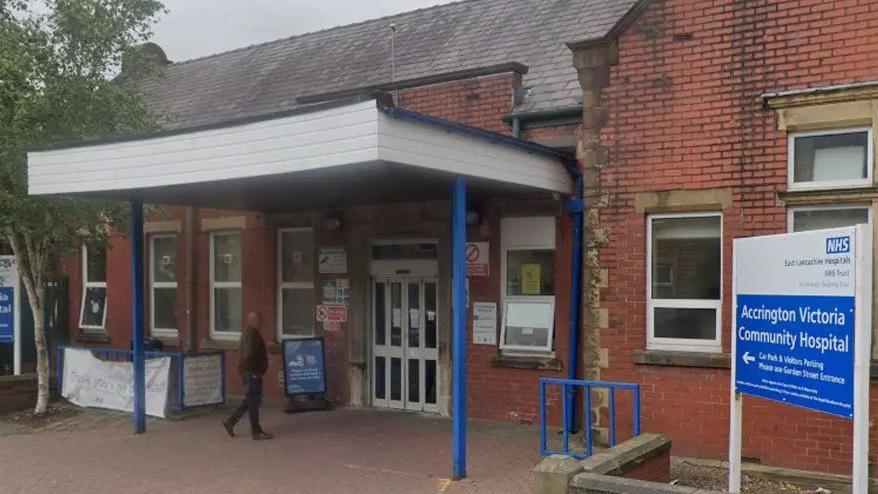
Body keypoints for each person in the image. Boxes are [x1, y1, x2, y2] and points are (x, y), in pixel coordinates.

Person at [222, 311, 273, 440]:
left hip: (249, 372)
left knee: (250, 400)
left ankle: (231, 422)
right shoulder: (252, 334)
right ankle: (256, 431)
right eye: (259, 321)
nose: (262, 323)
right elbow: (249, 355)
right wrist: (255, 372)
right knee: (254, 401)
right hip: (252, 373)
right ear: (253, 321)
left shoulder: (248, 332)